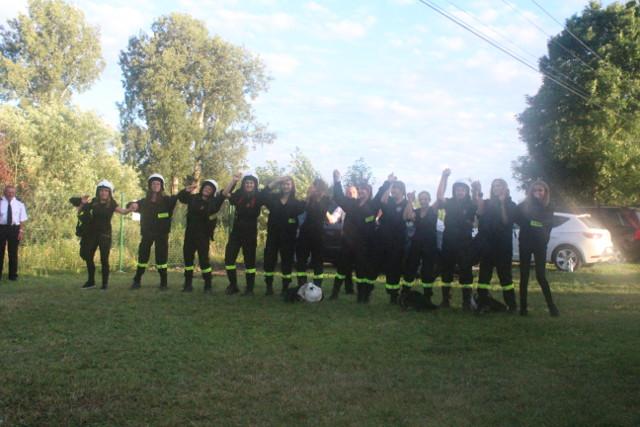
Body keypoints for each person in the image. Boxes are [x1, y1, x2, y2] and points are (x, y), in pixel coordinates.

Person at [332, 170, 383, 303]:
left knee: (361, 270)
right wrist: (337, 180)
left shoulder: (373, 205)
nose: (361, 191)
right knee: (342, 268)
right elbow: (339, 197)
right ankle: (334, 293)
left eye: (364, 190)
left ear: (369, 192)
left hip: (364, 245)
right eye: (360, 189)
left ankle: (361, 296)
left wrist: (388, 183)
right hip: (348, 243)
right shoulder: (351, 204)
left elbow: (380, 195)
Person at [70, 180, 130, 290]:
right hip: (91, 234)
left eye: (106, 191)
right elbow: (80, 213)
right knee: (88, 256)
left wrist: (132, 208)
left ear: (109, 192)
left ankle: (104, 284)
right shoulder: (93, 202)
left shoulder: (112, 204)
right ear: (98, 192)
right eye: (101, 190)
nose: (103, 193)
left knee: (104, 259)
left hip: (105, 235)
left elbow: (123, 211)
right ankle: (91, 282)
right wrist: (82, 204)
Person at [434, 169, 479, 310]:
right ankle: (445, 300)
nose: (460, 192)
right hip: (448, 242)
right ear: (454, 191)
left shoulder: (471, 203)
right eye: (457, 189)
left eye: (463, 190)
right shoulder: (449, 202)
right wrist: (444, 177)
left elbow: (478, 202)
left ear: (466, 191)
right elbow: (439, 196)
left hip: (465, 244)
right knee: (446, 272)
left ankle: (466, 302)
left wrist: (476, 189)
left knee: (466, 272)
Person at [128, 174, 179, 290]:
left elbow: (177, 197)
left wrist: (185, 191)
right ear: (150, 186)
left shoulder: (167, 201)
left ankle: (163, 283)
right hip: (147, 234)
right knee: (143, 256)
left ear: (161, 186)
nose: (156, 185)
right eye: (153, 183)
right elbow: (132, 205)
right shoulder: (144, 202)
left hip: (162, 234)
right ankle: (137, 280)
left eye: (158, 184)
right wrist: (132, 204)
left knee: (161, 258)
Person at [516, 180, 559, 317]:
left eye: (540, 190)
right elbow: (518, 219)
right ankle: (523, 308)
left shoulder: (549, 206)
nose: (538, 193)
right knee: (524, 276)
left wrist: (531, 222)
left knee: (541, 276)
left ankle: (552, 307)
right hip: (525, 242)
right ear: (531, 192)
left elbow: (546, 224)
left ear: (545, 192)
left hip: (540, 244)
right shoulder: (523, 205)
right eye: (535, 190)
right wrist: (534, 222)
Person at [474, 179, 518, 312]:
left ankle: (512, 305)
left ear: (504, 188)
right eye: (494, 186)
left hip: (503, 246)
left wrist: (502, 203)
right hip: (487, 245)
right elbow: (479, 214)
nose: (496, 188)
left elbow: (506, 221)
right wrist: (478, 191)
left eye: (498, 186)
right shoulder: (487, 203)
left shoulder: (511, 204)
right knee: (484, 276)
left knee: (505, 277)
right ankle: (482, 303)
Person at [178, 179, 225, 293]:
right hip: (190, 234)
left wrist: (233, 181)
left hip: (203, 236)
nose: (207, 189)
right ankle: (188, 285)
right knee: (188, 260)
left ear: (213, 192)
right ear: (202, 188)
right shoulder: (193, 198)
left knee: (204, 261)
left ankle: (208, 285)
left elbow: (223, 195)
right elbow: (181, 198)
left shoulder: (214, 202)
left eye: (210, 188)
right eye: (206, 187)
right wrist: (187, 190)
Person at [261, 176, 305, 296]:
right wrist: (276, 181)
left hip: (288, 238)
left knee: (287, 262)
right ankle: (269, 287)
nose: (286, 186)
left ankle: (285, 288)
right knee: (269, 261)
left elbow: (308, 207)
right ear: (281, 185)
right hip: (273, 236)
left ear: (292, 186)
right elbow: (263, 194)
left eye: (288, 184)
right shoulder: (273, 198)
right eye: (284, 184)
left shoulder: (297, 203)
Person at [222, 172, 263, 296]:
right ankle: (233, 285)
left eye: (251, 183)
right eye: (247, 183)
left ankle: (249, 289)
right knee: (229, 258)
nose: (249, 185)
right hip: (237, 231)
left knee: (250, 262)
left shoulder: (259, 196)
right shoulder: (239, 195)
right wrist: (234, 180)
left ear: (255, 184)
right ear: (243, 184)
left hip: (250, 232)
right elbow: (225, 193)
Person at [402, 190, 439, 310]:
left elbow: (439, 197)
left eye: (425, 198)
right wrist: (410, 200)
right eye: (421, 199)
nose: (423, 201)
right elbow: (406, 216)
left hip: (430, 244)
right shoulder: (416, 212)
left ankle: (427, 297)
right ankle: (404, 294)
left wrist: (444, 179)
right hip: (416, 244)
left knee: (427, 271)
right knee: (410, 268)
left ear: (429, 200)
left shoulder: (433, 210)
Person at [376, 174, 409, 304]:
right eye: (393, 188)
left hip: (397, 242)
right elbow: (382, 200)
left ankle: (394, 295)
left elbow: (407, 217)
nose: (394, 190)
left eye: (396, 188)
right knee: (381, 266)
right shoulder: (389, 201)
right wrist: (390, 184)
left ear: (402, 191)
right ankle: (368, 290)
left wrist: (410, 201)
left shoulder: (406, 203)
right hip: (384, 240)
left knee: (394, 269)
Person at [295, 178, 331, 288]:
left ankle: (317, 287)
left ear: (320, 188)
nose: (313, 188)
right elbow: (300, 210)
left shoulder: (326, 199)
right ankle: (302, 285)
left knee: (318, 261)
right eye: (313, 186)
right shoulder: (308, 199)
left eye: (315, 186)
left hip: (318, 235)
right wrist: (308, 197)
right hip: (304, 234)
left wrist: (317, 198)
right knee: (301, 260)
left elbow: (321, 211)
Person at [328, 184, 358, 300]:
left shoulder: (361, 205)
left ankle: (358, 292)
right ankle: (335, 292)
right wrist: (324, 210)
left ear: (357, 194)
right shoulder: (341, 208)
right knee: (343, 266)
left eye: (353, 192)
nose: (351, 194)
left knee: (359, 267)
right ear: (345, 195)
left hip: (360, 241)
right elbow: (332, 219)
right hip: (346, 240)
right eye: (348, 193)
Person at [0, 185, 28, 281]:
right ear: (4, 192)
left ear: (15, 193)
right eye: (8, 192)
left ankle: (13, 276)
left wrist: (21, 231)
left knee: (13, 252)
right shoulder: (0, 202)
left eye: (12, 192)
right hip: (1, 228)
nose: (10, 194)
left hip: (14, 229)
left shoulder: (19, 204)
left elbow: (22, 219)